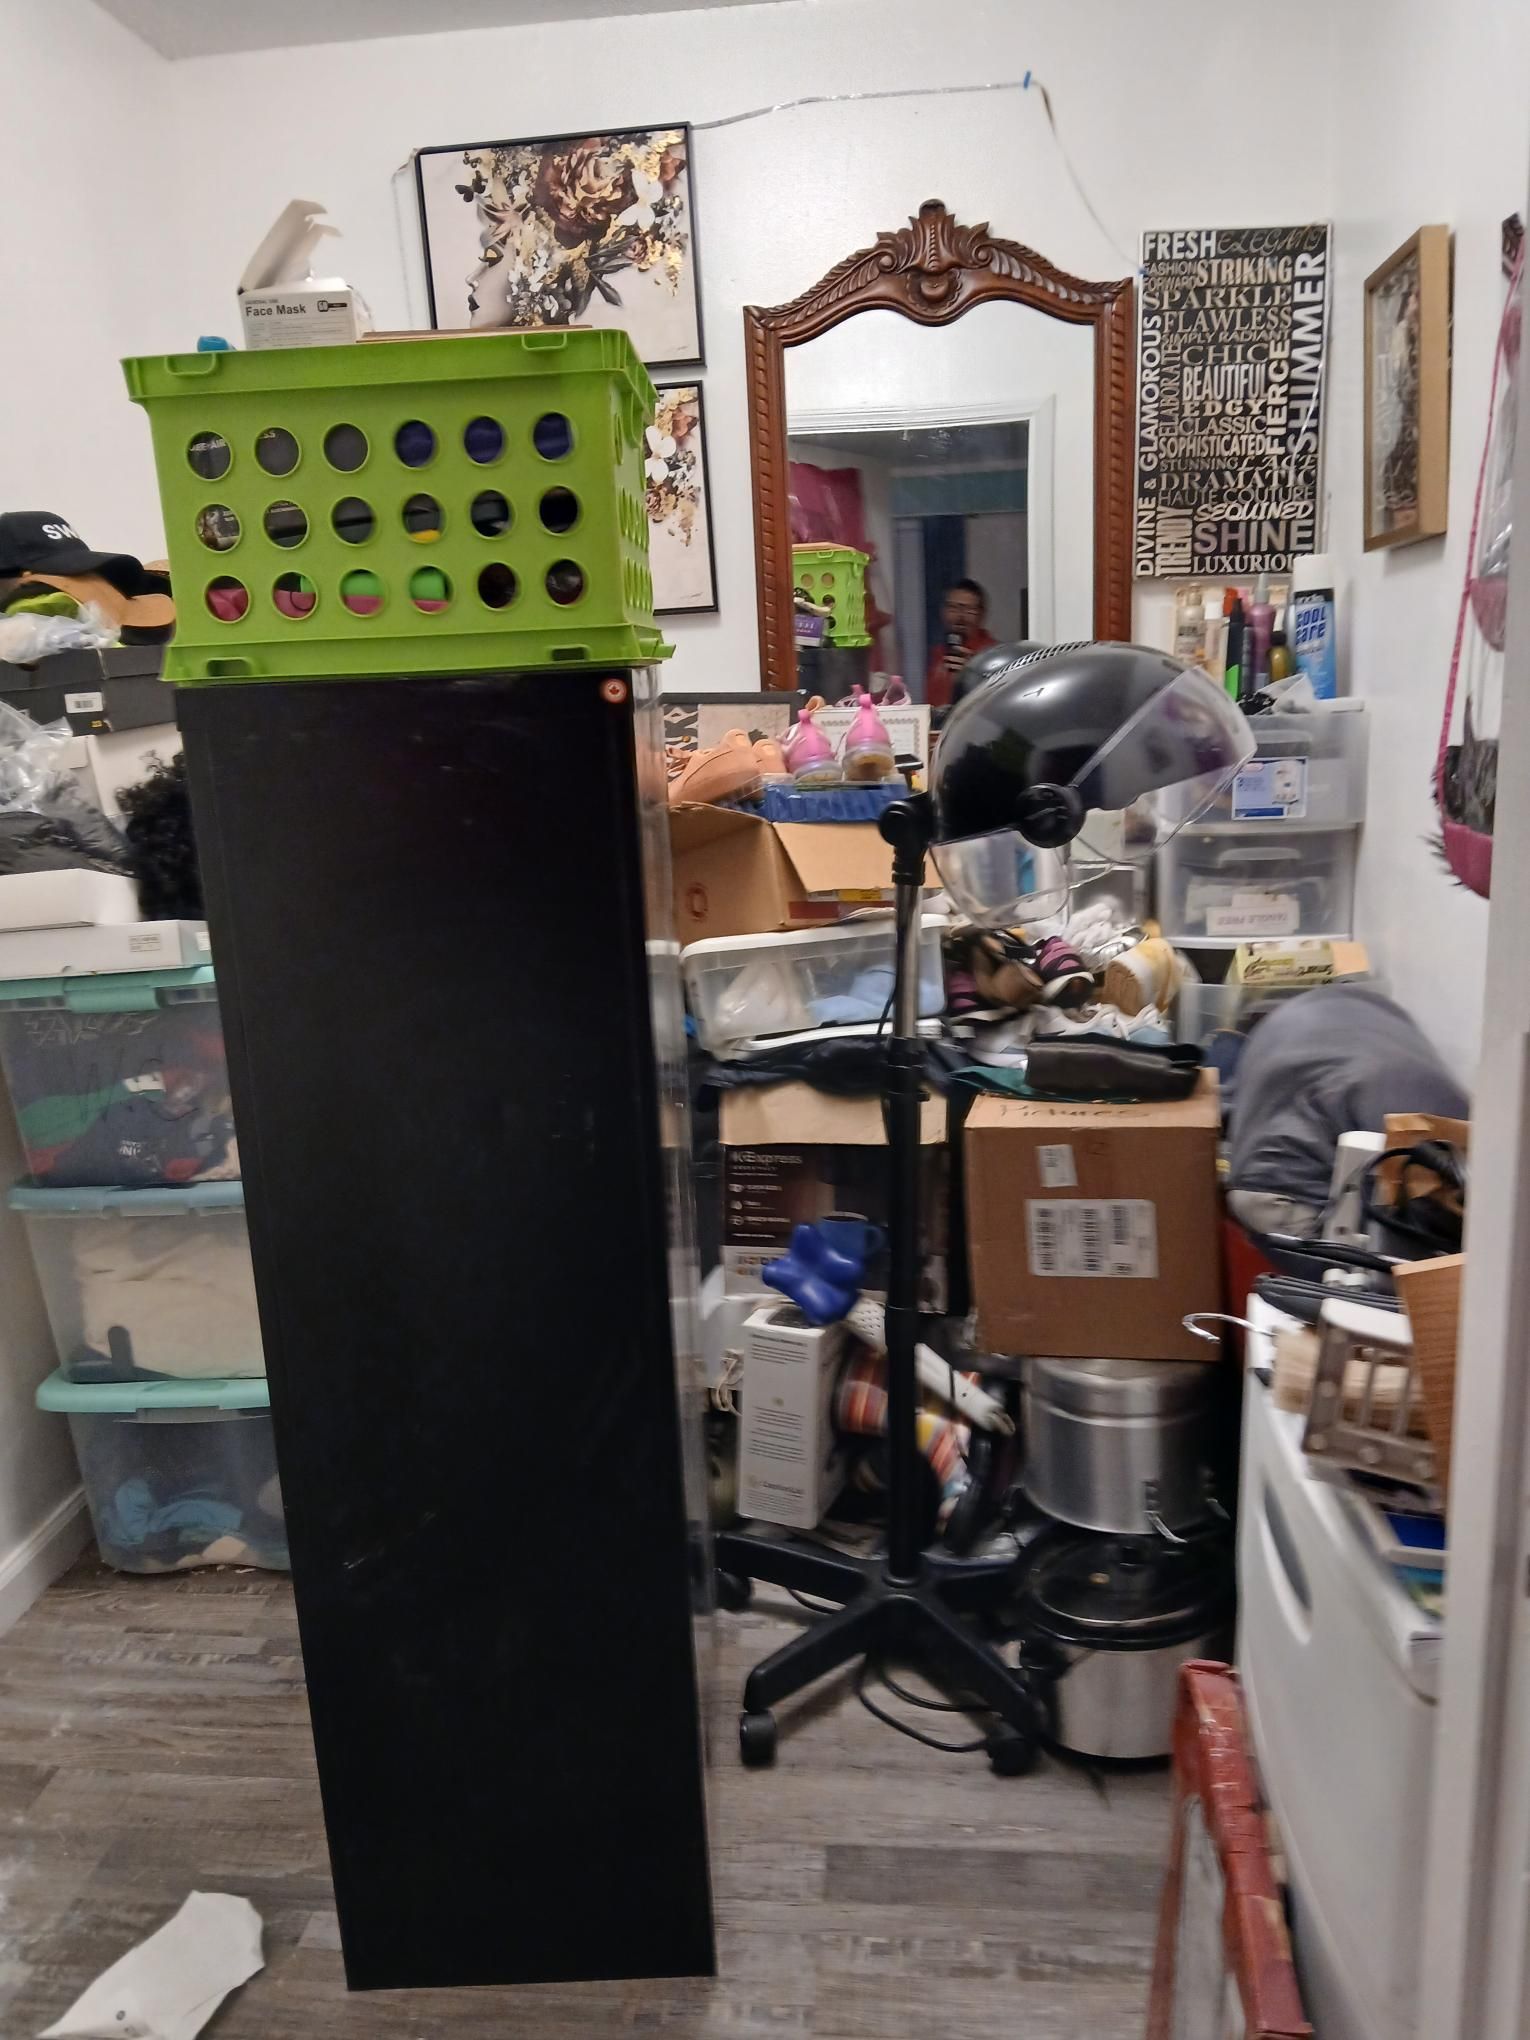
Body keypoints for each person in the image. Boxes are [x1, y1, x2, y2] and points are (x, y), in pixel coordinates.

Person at [924, 579, 996, 709]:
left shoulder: (993, 656)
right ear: (943, 611)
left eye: (969, 610)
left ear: (981, 614)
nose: (960, 616)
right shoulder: (933, 655)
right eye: (953, 608)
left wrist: (972, 674)